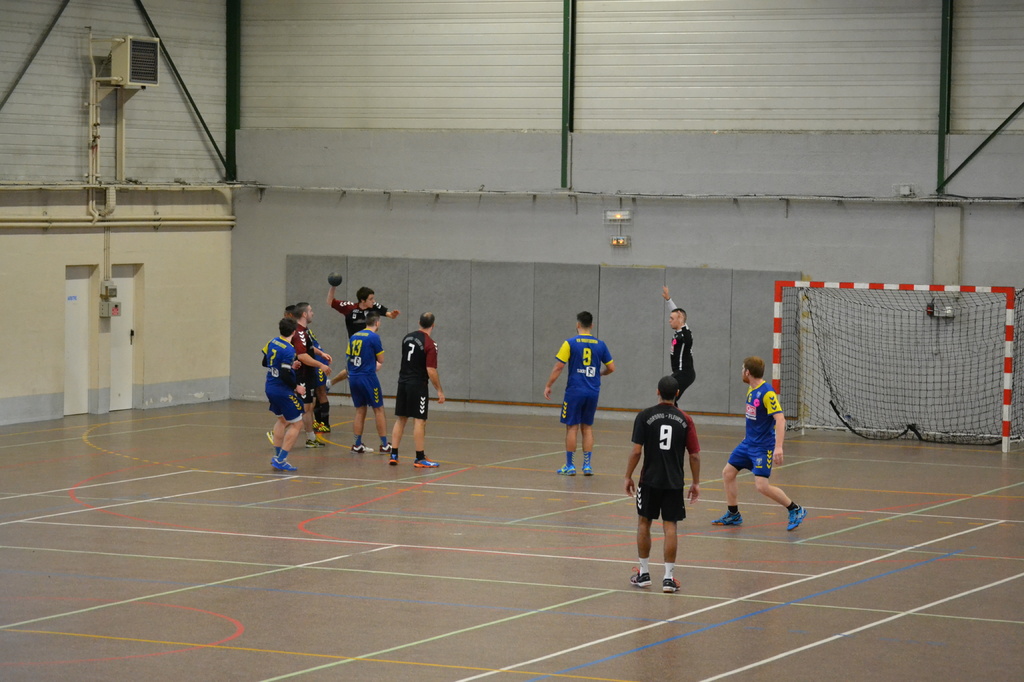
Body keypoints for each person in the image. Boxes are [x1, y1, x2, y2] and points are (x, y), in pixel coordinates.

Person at [624, 376, 701, 592]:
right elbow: (694, 455)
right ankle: (668, 578)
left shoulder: (644, 416)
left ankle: (644, 573)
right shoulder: (685, 419)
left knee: (644, 522)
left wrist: (628, 476)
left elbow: (636, 451)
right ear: (677, 394)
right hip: (674, 482)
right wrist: (695, 482)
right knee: (670, 526)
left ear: (657, 392)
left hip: (649, 480)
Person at [713, 356, 807, 531]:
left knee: (762, 486)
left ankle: (795, 509)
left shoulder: (767, 393)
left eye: (743, 369)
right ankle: (733, 514)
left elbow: (780, 419)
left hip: (763, 447)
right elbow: (755, 419)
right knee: (728, 473)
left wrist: (778, 447)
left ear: (748, 372)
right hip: (748, 443)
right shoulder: (751, 389)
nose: (742, 372)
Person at [543, 311, 615, 476]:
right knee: (587, 427)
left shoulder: (570, 343)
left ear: (577, 325)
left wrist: (548, 385)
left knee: (572, 427)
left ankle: (570, 466)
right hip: (592, 391)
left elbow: (559, 366)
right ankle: (587, 466)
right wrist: (601, 373)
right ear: (592, 325)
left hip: (575, 391)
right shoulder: (601, 345)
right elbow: (611, 367)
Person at [389, 312, 445, 468]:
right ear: (433, 325)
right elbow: (431, 370)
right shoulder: (430, 344)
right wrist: (439, 390)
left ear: (419, 322)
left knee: (401, 418)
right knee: (420, 420)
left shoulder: (407, 338)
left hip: (402, 383)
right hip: (418, 385)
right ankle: (420, 458)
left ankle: (394, 454)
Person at [327, 285, 398, 386]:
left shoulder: (374, 306)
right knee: (363, 368)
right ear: (362, 300)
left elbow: (389, 314)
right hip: (355, 345)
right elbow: (330, 301)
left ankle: (332, 382)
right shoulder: (350, 308)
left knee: (373, 366)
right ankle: (336, 382)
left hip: (368, 344)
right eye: (371, 299)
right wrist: (333, 286)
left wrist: (393, 315)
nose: (373, 301)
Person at [262, 317, 305, 472]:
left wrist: (289, 366)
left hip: (270, 387)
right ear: (294, 332)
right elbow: (286, 374)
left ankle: (277, 455)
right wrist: (296, 387)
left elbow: (265, 362)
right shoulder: (289, 349)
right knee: (297, 424)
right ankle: (281, 460)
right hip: (282, 390)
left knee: (282, 420)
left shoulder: (272, 342)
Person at [346, 311, 391, 454]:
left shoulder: (354, 336)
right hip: (368, 377)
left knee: (360, 410)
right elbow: (381, 359)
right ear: (377, 323)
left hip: (354, 376)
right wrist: (372, 363)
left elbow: (348, 357)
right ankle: (384, 445)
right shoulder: (374, 337)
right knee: (378, 409)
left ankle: (357, 444)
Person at [291, 302, 332, 448]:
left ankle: (311, 438)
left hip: (308, 374)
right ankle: (278, 431)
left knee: (308, 407)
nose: (312, 313)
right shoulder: (299, 332)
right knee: (302, 407)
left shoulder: (305, 331)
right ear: (304, 314)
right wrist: (320, 365)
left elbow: (308, 347)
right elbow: (302, 355)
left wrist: (321, 353)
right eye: (310, 311)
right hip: (301, 375)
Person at [662, 286, 695, 404]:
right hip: (678, 372)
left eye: (672, 319)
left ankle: (672, 414)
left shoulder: (686, 334)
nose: (669, 320)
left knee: (669, 396)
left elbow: (688, 339)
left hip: (684, 373)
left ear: (680, 320)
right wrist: (668, 300)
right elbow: (676, 312)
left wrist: (681, 320)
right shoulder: (678, 332)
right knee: (668, 396)